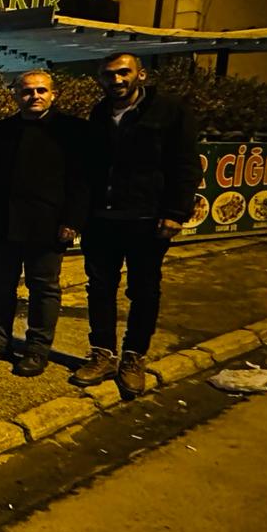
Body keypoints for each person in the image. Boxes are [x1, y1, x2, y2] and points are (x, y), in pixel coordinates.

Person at [72, 53, 200, 396]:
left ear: (140, 74)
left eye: (123, 72)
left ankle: (133, 357)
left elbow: (186, 164)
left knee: (144, 290)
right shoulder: (100, 113)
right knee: (99, 289)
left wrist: (175, 212)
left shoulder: (170, 111)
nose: (116, 80)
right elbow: (90, 169)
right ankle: (102, 354)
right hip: (102, 219)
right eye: (109, 75)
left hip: (146, 219)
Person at [0, 71, 89, 376]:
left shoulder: (73, 130)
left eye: (41, 90)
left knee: (44, 288)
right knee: (0, 285)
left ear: (53, 94)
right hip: (1, 221)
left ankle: (37, 349)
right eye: (27, 91)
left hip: (48, 224)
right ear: (16, 95)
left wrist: (73, 220)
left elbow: (82, 181)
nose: (34, 96)